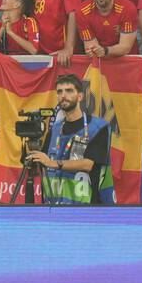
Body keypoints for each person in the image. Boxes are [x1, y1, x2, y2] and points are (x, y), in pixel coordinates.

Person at [24, 72, 115, 205]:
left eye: (69, 91)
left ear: (80, 96)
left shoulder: (98, 127)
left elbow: (88, 164)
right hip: (54, 207)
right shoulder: (54, 130)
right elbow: (44, 163)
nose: (63, 95)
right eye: (59, 92)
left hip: (87, 208)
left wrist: (53, 163)